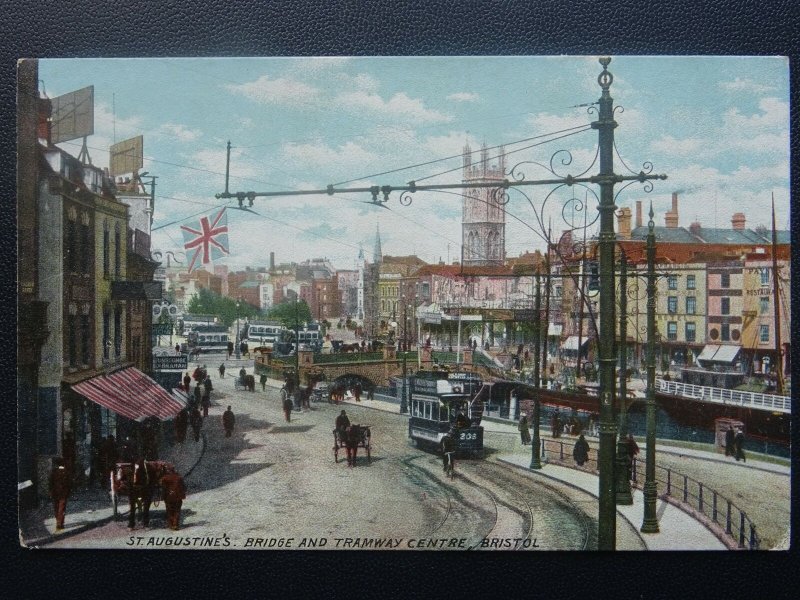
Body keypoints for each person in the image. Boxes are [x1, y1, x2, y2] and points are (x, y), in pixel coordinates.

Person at [127, 458, 152, 530]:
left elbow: (148, 480)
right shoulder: (130, 471)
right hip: (133, 490)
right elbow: (129, 482)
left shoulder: (146, 471)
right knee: (132, 508)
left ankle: (146, 524)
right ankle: (131, 524)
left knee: (146, 507)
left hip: (143, 488)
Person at [160, 466, 186, 531]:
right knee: (177, 510)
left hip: (168, 498)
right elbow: (184, 487)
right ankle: (175, 524)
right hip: (177, 497)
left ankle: (171, 524)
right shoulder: (179, 477)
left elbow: (163, 489)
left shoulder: (164, 478)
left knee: (169, 511)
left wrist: (163, 496)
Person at [49, 458, 71, 531]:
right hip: (63, 493)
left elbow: (50, 483)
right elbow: (69, 484)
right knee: (62, 508)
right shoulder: (67, 472)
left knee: (56, 507)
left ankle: (58, 521)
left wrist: (50, 491)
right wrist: (69, 492)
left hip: (55, 493)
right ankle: (60, 523)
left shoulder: (54, 472)